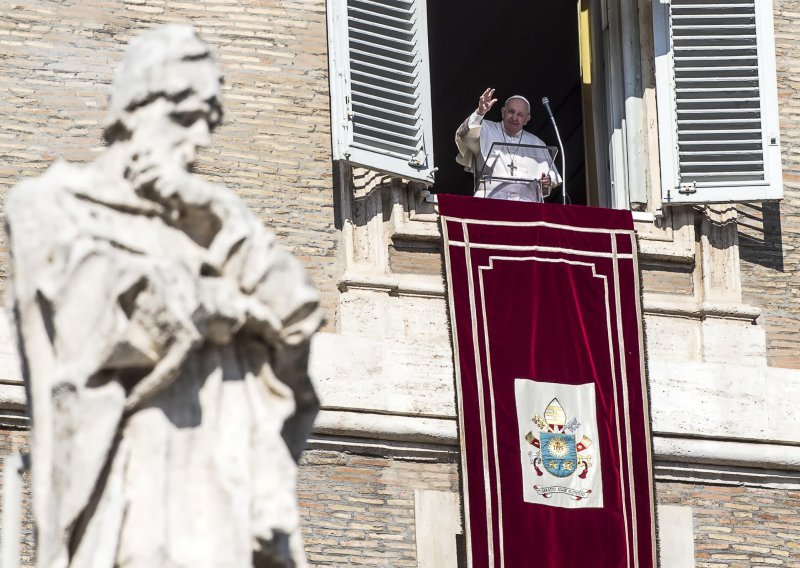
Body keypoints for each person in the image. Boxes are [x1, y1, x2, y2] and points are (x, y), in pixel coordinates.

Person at [6, 25, 321, 567]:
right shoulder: (52, 205)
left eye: (209, 122)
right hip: (131, 493)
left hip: (225, 498)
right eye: (183, 117)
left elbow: (297, 316)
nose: (197, 139)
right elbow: (85, 327)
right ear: (132, 109)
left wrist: (220, 212)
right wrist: (214, 303)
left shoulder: (209, 225)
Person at [456, 87, 561, 202]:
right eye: (511, 112)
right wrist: (480, 112)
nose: (514, 117)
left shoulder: (536, 142)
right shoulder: (486, 129)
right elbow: (465, 134)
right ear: (503, 112)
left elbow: (547, 181)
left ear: (527, 119)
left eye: (520, 115)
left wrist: (546, 183)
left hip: (527, 205)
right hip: (490, 200)